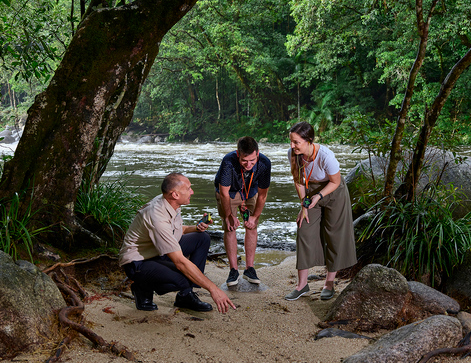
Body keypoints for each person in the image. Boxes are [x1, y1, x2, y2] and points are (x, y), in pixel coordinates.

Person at [119, 173, 236, 314]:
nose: (192, 192)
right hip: (138, 262)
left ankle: (185, 296)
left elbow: (177, 230)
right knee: (185, 278)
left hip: (157, 252)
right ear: (174, 194)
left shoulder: (170, 203)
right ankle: (142, 287)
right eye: (188, 188)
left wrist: (196, 227)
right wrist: (213, 289)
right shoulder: (157, 216)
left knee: (202, 238)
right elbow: (180, 262)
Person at [284, 121, 357, 301]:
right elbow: (298, 181)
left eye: (296, 142)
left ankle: (329, 283)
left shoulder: (326, 156)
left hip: (333, 191)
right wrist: (304, 206)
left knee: (334, 235)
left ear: (309, 140)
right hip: (310, 192)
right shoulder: (293, 154)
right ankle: (302, 285)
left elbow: (335, 181)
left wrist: (319, 196)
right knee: (304, 229)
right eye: (291, 142)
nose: (292, 146)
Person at [214, 136, 271, 286]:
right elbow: (224, 192)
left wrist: (255, 217)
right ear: (238, 154)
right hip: (230, 193)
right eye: (245, 161)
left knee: (251, 226)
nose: (249, 164)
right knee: (230, 227)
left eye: (252, 160)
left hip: (250, 191)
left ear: (257, 154)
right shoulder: (228, 161)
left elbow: (263, 195)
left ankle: (249, 268)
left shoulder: (264, 163)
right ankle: (233, 270)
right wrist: (228, 216)